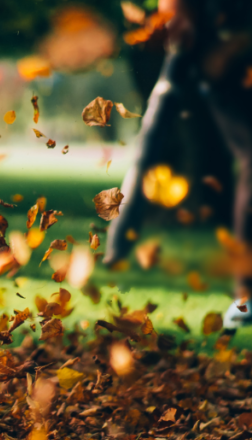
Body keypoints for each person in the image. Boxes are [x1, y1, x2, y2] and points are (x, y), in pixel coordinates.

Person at [104, 0, 252, 331]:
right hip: (201, 63)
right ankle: (246, 295)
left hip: (219, 60)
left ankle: (118, 244)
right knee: (150, 150)